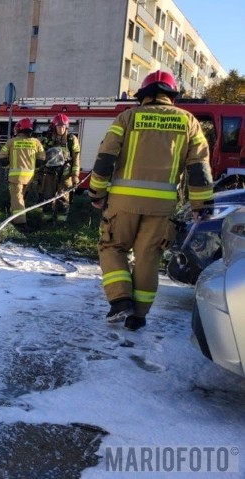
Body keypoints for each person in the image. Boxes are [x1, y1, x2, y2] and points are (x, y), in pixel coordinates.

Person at [89, 70, 213, 331]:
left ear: (143, 95)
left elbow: (105, 158)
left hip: (122, 203)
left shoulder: (127, 117)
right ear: (171, 95)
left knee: (112, 247)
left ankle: (120, 299)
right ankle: (138, 316)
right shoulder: (189, 121)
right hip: (162, 207)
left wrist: (96, 193)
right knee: (148, 258)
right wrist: (201, 206)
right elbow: (199, 168)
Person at [0, 118, 45, 231]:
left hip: (15, 177)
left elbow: (2, 157)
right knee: (22, 199)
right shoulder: (36, 142)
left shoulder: (12, 141)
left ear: (18, 129)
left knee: (17, 199)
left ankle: (20, 224)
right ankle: (15, 218)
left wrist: (9, 165)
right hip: (30, 177)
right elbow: (42, 159)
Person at [40, 113, 80, 222]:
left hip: (65, 174)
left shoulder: (72, 140)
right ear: (54, 127)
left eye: (63, 126)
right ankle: (46, 220)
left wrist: (75, 175)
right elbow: (41, 156)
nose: (61, 129)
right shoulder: (47, 139)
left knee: (63, 197)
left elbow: (76, 158)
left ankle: (61, 222)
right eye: (58, 126)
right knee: (47, 196)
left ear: (66, 127)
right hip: (49, 173)